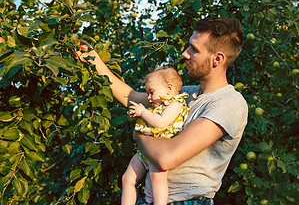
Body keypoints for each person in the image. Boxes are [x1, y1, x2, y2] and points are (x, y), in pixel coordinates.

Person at [76, 16, 248, 204]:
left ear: (217, 59)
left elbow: (166, 158)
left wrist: (140, 131)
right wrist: (95, 62)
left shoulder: (228, 103)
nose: (185, 53)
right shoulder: (183, 94)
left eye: (194, 49)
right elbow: (132, 97)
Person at [122, 67, 190, 205]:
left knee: (157, 180)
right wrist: (137, 115)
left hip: (160, 151)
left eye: (151, 92)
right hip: (145, 152)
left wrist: (143, 113)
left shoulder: (175, 104)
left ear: (169, 88)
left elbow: (161, 122)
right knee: (127, 179)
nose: (148, 97)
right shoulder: (157, 107)